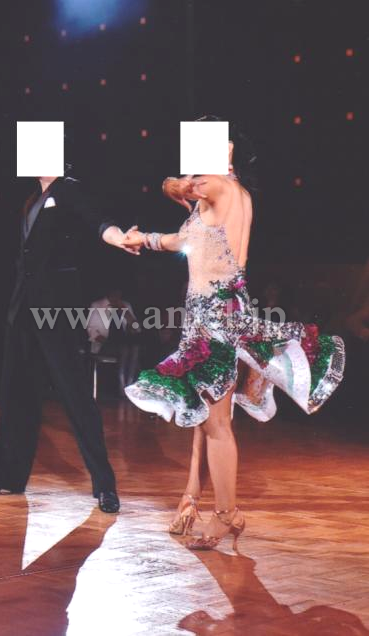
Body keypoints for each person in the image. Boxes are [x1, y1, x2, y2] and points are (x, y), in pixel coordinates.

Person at [122, 122, 345, 547]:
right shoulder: (218, 198)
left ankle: (227, 515)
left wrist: (178, 183)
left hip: (217, 317)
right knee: (206, 415)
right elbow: (181, 241)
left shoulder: (220, 187)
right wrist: (143, 239)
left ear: (225, 151)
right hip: (211, 315)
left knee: (217, 424)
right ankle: (194, 499)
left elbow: (176, 187)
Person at [0, 173, 139, 513]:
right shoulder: (32, 198)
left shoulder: (68, 189)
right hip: (22, 310)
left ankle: (105, 486)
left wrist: (118, 237)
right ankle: (7, 476)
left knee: (75, 394)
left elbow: (96, 220)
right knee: (16, 394)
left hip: (54, 311)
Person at [87, 286, 140, 395]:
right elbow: (91, 330)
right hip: (104, 343)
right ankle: (123, 388)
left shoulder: (125, 305)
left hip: (123, 342)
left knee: (134, 350)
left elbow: (136, 328)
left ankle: (129, 386)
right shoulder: (97, 305)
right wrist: (105, 342)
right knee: (125, 351)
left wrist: (126, 312)